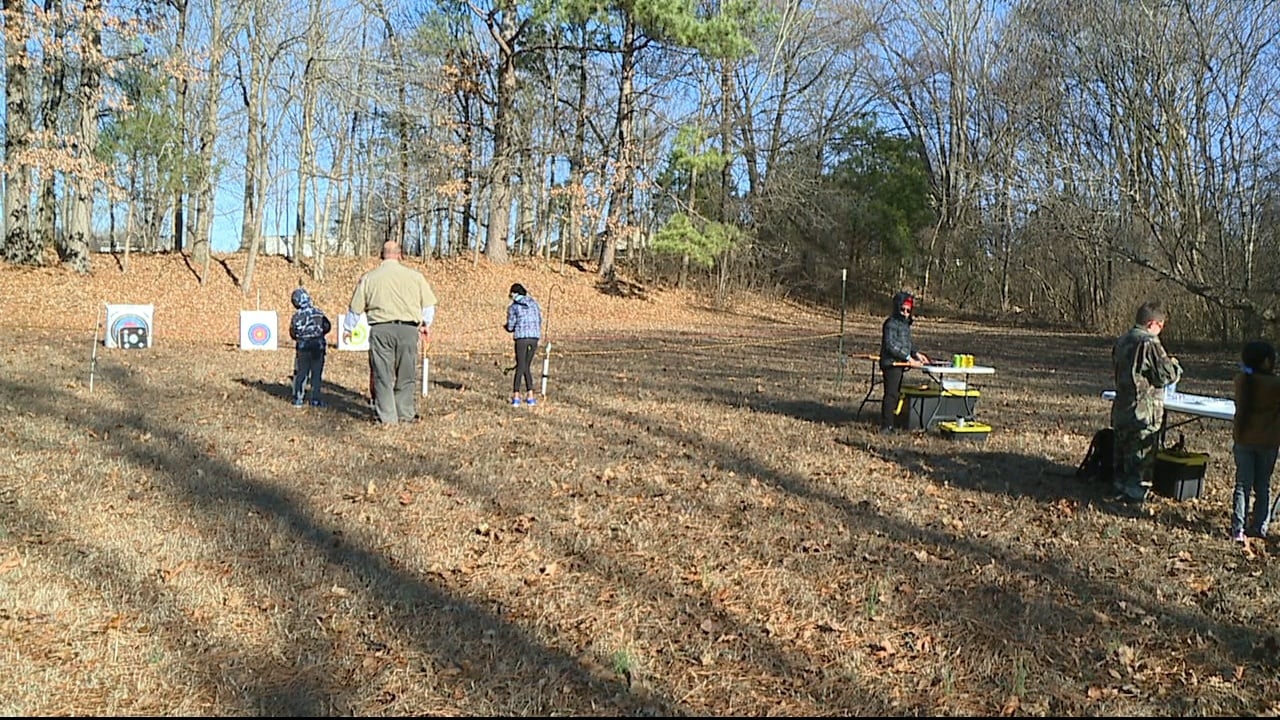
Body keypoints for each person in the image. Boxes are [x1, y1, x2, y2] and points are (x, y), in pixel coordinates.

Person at [346, 240, 438, 424]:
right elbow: (429, 305)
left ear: (382, 255)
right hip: (409, 330)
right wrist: (426, 324)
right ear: (400, 254)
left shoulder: (369, 277)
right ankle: (405, 414)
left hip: (381, 330)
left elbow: (355, 309)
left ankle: (387, 417)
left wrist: (348, 329)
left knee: (383, 375)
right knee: (406, 374)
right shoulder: (415, 276)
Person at [1110, 300, 1182, 506]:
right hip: (1143, 409)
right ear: (1152, 324)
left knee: (1122, 451)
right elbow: (1164, 375)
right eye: (1160, 326)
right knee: (1141, 453)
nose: (1160, 331)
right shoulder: (1149, 343)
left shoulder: (1122, 340)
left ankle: (1120, 487)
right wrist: (1175, 365)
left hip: (1122, 405)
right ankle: (1134, 493)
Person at [1230, 340, 1280, 542]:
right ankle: (1260, 526)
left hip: (1243, 438)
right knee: (1263, 486)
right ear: (1268, 361)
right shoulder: (1276, 385)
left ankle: (1237, 528)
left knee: (1242, 485)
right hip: (1268, 442)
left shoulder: (1241, 381)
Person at [879, 290, 930, 433]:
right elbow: (891, 346)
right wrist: (909, 358)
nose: (905, 313)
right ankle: (886, 426)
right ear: (897, 308)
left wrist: (917, 354)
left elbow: (906, 343)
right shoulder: (890, 324)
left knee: (896, 394)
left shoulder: (905, 325)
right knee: (891, 395)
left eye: (908, 310)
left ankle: (892, 423)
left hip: (900, 363)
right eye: (903, 309)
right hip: (891, 364)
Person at [288, 287, 332, 408]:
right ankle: (315, 400)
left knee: (302, 374)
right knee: (316, 375)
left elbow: (292, 333)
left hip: (303, 348)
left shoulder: (296, 316)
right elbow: (327, 326)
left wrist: (300, 337)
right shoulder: (318, 312)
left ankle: (298, 400)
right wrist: (319, 334)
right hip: (318, 347)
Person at [504, 283, 543, 407]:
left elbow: (511, 326)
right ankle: (530, 396)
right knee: (526, 366)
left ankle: (516, 396)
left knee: (520, 366)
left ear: (514, 294)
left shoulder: (513, 307)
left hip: (521, 339)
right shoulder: (534, 303)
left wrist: (507, 327)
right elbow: (539, 320)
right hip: (534, 338)